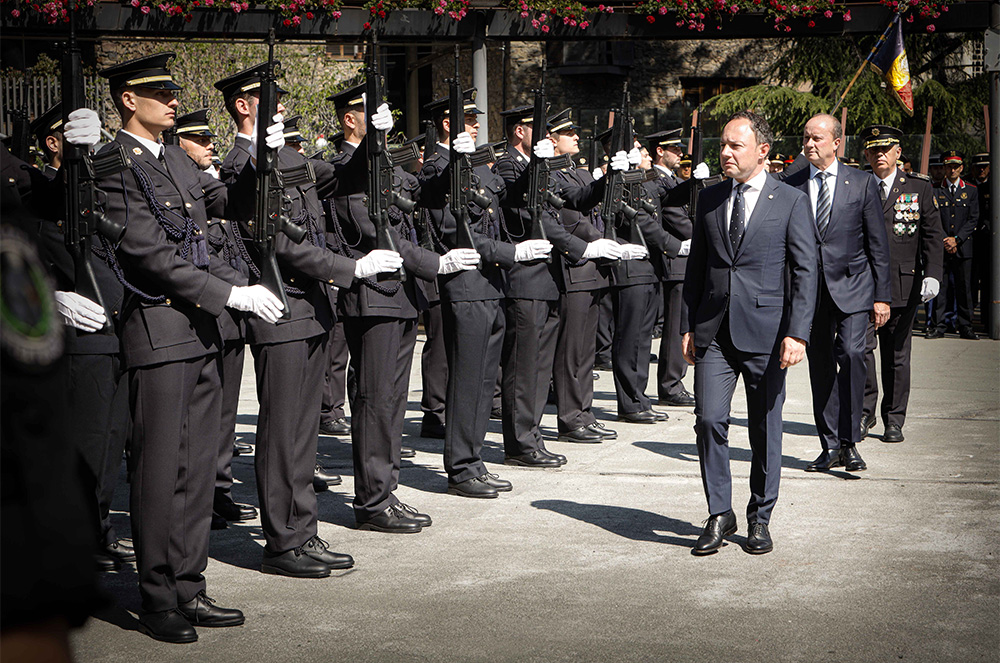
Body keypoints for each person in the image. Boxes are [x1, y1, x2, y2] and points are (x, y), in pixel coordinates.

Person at [96, 53, 288, 643]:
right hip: (158, 330)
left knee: (199, 468)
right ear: (129, 99)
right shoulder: (114, 162)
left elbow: (231, 204)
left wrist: (259, 157)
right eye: (161, 93)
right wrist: (229, 293)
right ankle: (158, 596)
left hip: (200, 330)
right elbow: (148, 252)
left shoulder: (175, 157)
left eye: (173, 92)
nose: (174, 100)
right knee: (160, 471)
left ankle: (188, 584)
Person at [216, 64, 377, 577]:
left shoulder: (292, 157)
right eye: (272, 98)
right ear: (244, 106)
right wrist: (349, 269)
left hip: (312, 308)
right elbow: (276, 242)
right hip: (280, 308)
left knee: (304, 434)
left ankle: (303, 531)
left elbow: (346, 178)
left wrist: (375, 137)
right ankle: (283, 541)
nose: (283, 106)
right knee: (282, 432)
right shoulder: (239, 165)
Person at [327, 83, 479, 529]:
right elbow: (375, 231)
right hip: (373, 298)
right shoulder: (342, 169)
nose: (383, 120)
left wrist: (454, 162)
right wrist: (436, 263)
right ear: (350, 119)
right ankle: (372, 502)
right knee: (375, 401)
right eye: (370, 113)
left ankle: (385, 491)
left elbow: (424, 196)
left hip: (401, 299)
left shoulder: (388, 167)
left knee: (392, 403)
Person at [683, 110, 818, 556]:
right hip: (714, 332)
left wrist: (797, 333)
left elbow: (805, 271)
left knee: (764, 429)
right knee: (708, 420)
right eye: (722, 144)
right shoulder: (710, 198)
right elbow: (697, 268)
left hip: (768, 333)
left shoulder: (791, 200)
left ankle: (760, 517)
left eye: (735, 145)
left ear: (762, 151)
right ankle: (720, 512)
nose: (725, 152)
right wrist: (687, 326)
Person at [493, 104, 625, 468]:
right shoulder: (509, 165)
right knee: (523, 367)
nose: (548, 138)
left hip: (547, 278)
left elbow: (575, 201)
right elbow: (528, 209)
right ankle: (519, 444)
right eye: (539, 129)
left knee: (538, 368)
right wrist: (583, 248)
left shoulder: (542, 167)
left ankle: (531, 437)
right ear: (519, 131)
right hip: (524, 278)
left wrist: (609, 176)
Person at [420, 90, 530, 496]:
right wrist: (510, 253)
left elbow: (502, 205)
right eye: (469, 119)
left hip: (491, 285)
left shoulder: (476, 164)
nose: (476, 124)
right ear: (449, 123)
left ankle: (474, 459)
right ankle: (461, 468)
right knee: (466, 381)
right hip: (466, 284)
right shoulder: (437, 168)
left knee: (484, 381)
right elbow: (454, 232)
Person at [783, 113, 890, 474]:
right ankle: (830, 444)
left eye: (817, 138)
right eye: (806, 138)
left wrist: (882, 296)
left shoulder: (861, 183)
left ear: (837, 143)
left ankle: (851, 440)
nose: (809, 144)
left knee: (853, 352)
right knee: (821, 365)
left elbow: (878, 244)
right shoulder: (792, 185)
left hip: (854, 287)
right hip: (810, 292)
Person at [174, 108, 259, 529]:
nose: (209, 145)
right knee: (199, 419)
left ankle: (218, 489)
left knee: (225, 412)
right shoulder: (183, 185)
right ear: (180, 144)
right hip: (210, 306)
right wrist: (241, 286)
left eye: (210, 138)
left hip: (232, 314)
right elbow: (201, 254)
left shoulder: (213, 182)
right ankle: (200, 494)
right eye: (199, 139)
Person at [858, 125, 943, 444]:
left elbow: (932, 234)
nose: (879, 154)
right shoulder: (858, 185)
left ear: (898, 152)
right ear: (866, 154)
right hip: (862, 284)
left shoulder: (918, 187)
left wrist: (933, 273)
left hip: (902, 283)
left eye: (885, 149)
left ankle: (894, 418)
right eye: (873, 149)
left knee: (896, 355)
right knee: (860, 351)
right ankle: (864, 412)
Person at [545, 109, 618, 444]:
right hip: (573, 266)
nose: (576, 137)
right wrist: (593, 242)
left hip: (592, 268)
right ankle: (570, 418)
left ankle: (584, 412)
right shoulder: (551, 173)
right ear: (552, 140)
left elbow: (594, 201)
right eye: (568, 133)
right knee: (571, 350)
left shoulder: (580, 171)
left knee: (586, 350)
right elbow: (573, 208)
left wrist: (612, 173)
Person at [928, 150, 980, 340]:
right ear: (944, 168)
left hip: (963, 247)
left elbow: (973, 219)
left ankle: (966, 326)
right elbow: (932, 217)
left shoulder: (971, 190)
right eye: (949, 166)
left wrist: (957, 239)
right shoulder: (934, 189)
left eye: (956, 167)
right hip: (941, 247)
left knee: (964, 288)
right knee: (940, 288)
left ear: (961, 168)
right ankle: (938, 326)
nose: (952, 170)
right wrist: (945, 239)